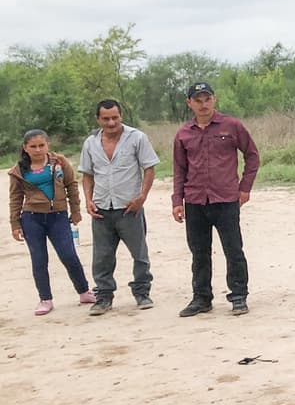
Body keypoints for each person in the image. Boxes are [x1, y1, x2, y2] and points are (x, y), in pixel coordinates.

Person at [171, 82, 260, 317]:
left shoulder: (231, 126)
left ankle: (238, 295)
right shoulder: (183, 134)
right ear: (189, 103)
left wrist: (245, 188)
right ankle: (201, 298)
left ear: (215, 100)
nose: (203, 104)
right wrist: (177, 201)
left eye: (207, 99)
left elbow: (252, 155)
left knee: (233, 249)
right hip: (195, 200)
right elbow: (179, 169)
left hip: (226, 198)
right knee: (199, 252)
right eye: (198, 100)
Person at [78, 99, 161, 315]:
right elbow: (87, 174)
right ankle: (104, 297)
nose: (111, 122)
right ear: (98, 119)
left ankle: (142, 292)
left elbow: (149, 168)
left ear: (121, 116)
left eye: (115, 117)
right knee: (102, 256)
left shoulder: (137, 138)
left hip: (129, 208)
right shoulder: (90, 143)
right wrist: (88, 200)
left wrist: (142, 197)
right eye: (106, 118)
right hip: (101, 209)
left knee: (139, 254)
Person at [9, 129, 95, 316]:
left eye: (41, 145)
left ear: (48, 145)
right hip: (32, 218)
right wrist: (15, 224)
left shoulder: (59, 162)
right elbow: (15, 198)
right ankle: (45, 298)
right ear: (25, 148)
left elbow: (71, 185)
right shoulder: (19, 170)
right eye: (33, 146)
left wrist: (75, 210)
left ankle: (84, 291)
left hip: (58, 215)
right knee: (39, 259)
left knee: (68, 254)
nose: (38, 150)